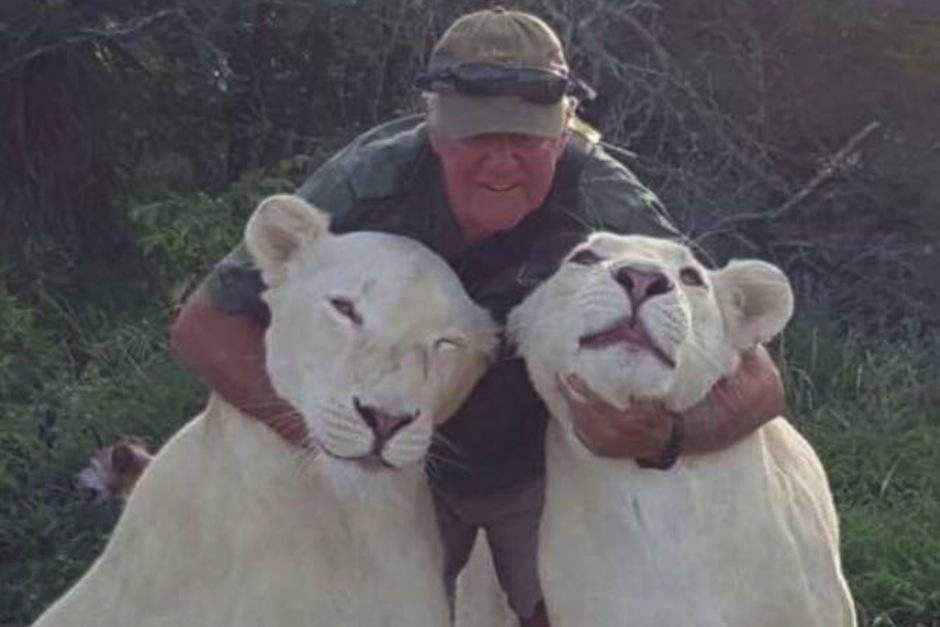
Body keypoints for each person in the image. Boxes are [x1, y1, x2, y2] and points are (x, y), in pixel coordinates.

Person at [171, 8, 785, 627]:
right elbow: (206, 326)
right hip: (391, 453)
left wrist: (665, 439)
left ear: (565, 129)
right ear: (433, 127)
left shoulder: (604, 198)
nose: (501, 163)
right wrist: (323, 426)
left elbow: (756, 379)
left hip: (537, 461)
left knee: (567, 607)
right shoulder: (371, 182)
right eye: (478, 138)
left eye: (527, 140)